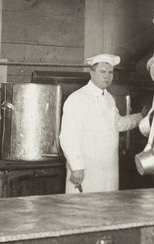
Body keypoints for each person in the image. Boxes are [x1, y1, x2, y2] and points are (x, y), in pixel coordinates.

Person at [58, 53, 146, 193]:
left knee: (107, 208)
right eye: (102, 72)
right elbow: (68, 136)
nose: (107, 76)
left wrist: (141, 117)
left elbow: (118, 124)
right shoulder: (77, 99)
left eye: (110, 72)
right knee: (83, 209)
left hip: (108, 167)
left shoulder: (109, 98)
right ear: (92, 73)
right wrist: (76, 167)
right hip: (86, 168)